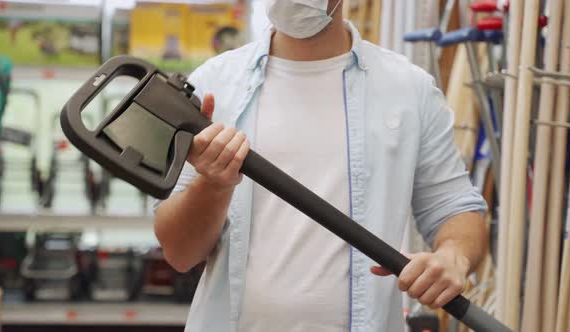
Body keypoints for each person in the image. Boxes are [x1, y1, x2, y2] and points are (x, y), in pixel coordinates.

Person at [154, 0, 489, 331]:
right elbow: (180, 253)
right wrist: (213, 185)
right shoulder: (214, 85)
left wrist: (453, 257)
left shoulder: (408, 90)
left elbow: (456, 210)